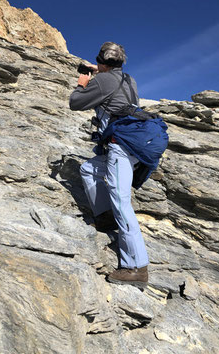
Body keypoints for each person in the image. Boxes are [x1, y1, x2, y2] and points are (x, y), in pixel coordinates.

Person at [69, 42, 148, 288]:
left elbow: (75, 102)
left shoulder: (101, 81)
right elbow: (112, 83)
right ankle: (105, 217)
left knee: (121, 201)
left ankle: (135, 266)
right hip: (133, 144)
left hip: (119, 148)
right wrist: (99, 70)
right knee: (88, 169)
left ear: (102, 62)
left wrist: (83, 84)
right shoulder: (128, 79)